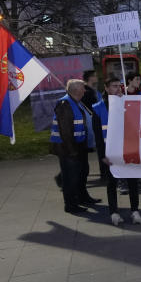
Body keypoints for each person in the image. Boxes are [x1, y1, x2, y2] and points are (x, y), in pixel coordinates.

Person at [92, 75, 141, 225]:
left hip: (127, 150)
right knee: (111, 183)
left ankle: (135, 211)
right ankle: (114, 213)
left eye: (119, 86)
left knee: (133, 181)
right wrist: (102, 156)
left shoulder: (126, 102)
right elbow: (98, 137)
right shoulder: (97, 108)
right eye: (113, 86)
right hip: (110, 153)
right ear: (106, 88)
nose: (117, 88)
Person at [50, 79, 97, 213]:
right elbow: (65, 131)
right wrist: (72, 151)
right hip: (68, 149)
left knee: (82, 173)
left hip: (79, 146)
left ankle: (82, 197)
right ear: (76, 90)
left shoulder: (75, 102)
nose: (85, 90)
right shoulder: (65, 104)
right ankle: (70, 205)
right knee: (70, 177)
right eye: (83, 88)